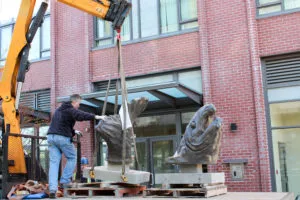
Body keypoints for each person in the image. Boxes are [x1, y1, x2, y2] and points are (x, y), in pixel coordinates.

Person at [47, 94, 105, 198]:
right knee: (72, 157)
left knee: (54, 163)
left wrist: (74, 131)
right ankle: (64, 181)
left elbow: (61, 125)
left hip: (51, 137)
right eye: (79, 103)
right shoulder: (70, 109)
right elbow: (80, 115)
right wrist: (96, 116)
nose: (79, 106)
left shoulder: (58, 110)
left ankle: (52, 189)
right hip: (62, 138)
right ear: (74, 102)